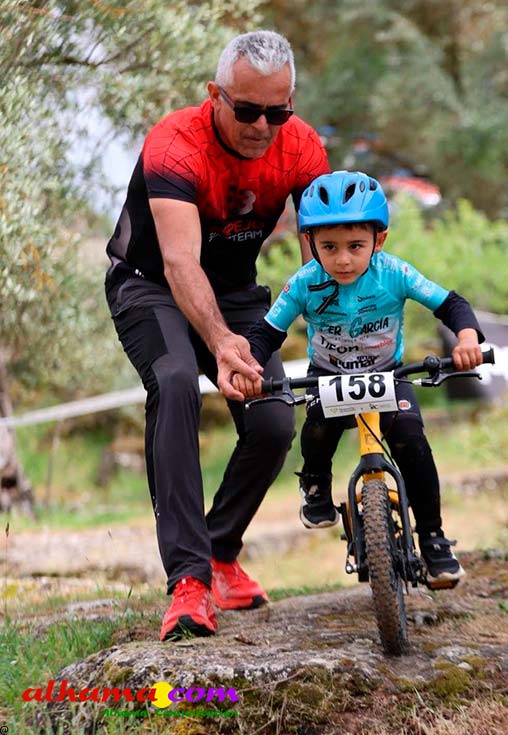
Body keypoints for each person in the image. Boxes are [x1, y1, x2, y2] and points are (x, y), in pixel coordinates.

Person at [104, 30, 329, 641]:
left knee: (273, 419)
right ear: (215, 95)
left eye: (277, 112)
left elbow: (323, 252)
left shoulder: (303, 147)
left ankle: (221, 554)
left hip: (234, 290)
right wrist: (223, 342)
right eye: (248, 110)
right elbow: (179, 262)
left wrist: (336, 329)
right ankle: (188, 581)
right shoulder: (175, 143)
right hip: (150, 285)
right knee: (176, 382)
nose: (262, 126)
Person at [236, 171, 486, 584]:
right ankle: (315, 482)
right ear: (310, 242)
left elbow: (451, 304)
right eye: (329, 247)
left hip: (388, 374)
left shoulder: (395, 273)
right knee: (318, 428)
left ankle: (433, 539)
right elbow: (266, 333)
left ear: (378, 241)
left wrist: (467, 338)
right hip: (328, 375)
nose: (343, 260)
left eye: (355, 246)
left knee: (411, 441)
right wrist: (249, 368)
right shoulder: (304, 283)